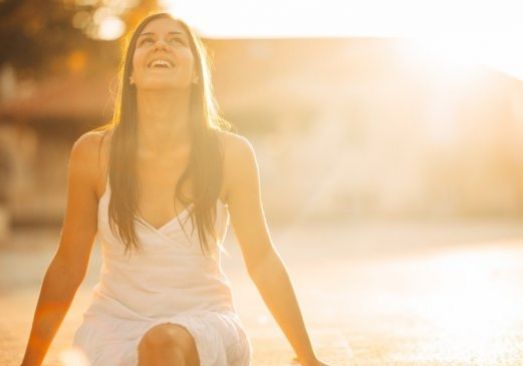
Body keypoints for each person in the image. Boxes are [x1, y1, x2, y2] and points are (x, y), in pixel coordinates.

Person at [20, 11, 329, 366]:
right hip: (112, 328)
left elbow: (262, 260)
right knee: (152, 344)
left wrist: (308, 358)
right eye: (147, 41)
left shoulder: (230, 154)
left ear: (196, 73)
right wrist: (30, 363)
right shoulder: (93, 153)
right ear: (132, 74)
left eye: (176, 40)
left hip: (205, 324)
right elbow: (67, 265)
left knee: (163, 343)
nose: (160, 44)